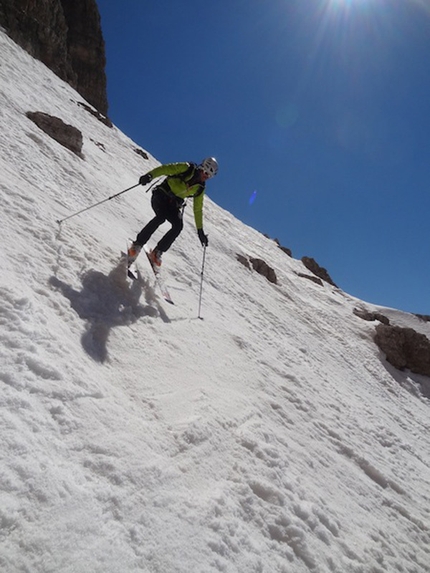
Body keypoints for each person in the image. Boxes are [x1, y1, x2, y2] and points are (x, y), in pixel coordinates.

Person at [127, 157, 218, 267]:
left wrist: (200, 231)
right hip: (160, 196)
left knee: (178, 226)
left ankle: (157, 252)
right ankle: (137, 245)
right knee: (161, 217)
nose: (205, 176)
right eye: (205, 172)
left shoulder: (200, 188)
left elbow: (197, 209)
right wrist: (150, 176)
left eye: (208, 176)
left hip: (172, 205)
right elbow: (165, 169)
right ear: (201, 167)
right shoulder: (186, 168)